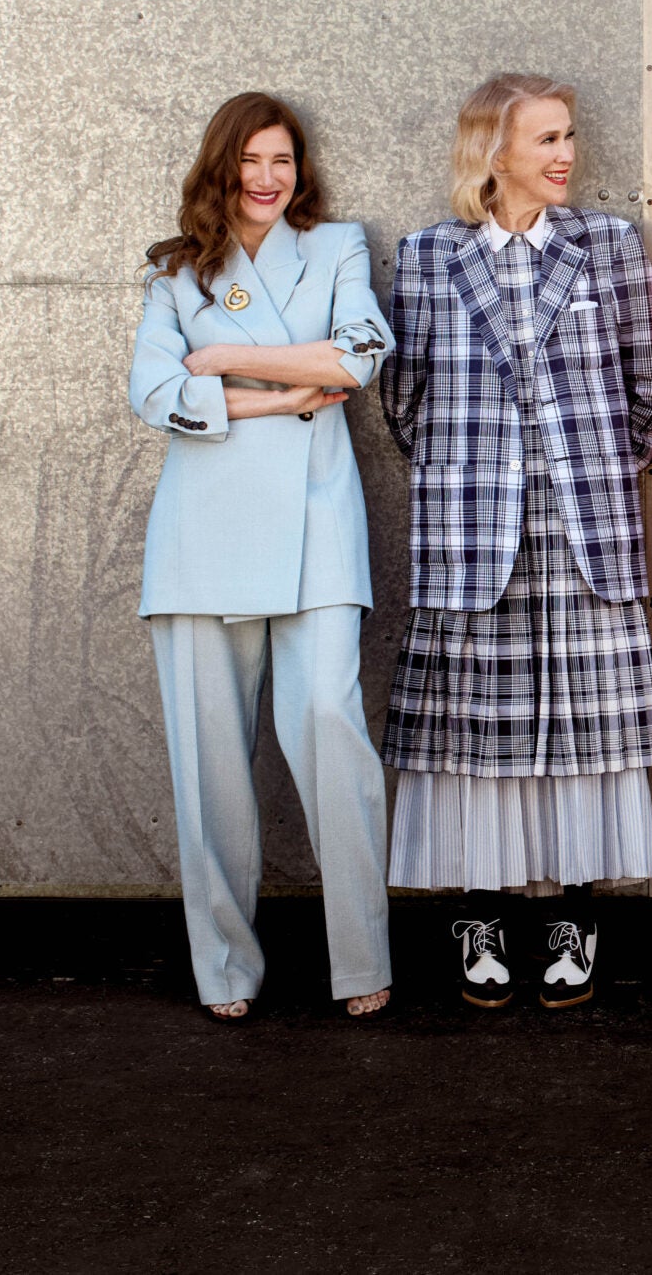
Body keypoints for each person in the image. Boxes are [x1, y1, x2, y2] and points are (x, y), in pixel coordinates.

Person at [379, 73, 652, 1010]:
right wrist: (479, 473)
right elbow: (406, 399)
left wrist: (590, 468)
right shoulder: (429, 256)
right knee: (477, 733)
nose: (565, 155)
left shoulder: (609, 246)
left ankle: (572, 918)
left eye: (568, 136)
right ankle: (480, 916)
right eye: (545, 139)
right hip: (472, 532)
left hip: (585, 527)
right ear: (493, 151)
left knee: (583, 732)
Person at [128, 91, 396, 1022]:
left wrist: (222, 361)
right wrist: (282, 397)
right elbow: (153, 391)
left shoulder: (336, 247)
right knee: (208, 763)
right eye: (251, 160)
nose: (268, 177)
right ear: (223, 166)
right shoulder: (174, 272)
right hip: (200, 535)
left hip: (318, 522)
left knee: (329, 722)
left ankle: (362, 959)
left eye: (283, 160)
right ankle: (225, 971)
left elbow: (358, 358)